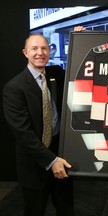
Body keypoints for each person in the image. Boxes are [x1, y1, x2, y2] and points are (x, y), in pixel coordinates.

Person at [2, 34, 74, 216]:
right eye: (34, 49)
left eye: (44, 48)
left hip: (62, 157)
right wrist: (51, 160)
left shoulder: (57, 73)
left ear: (50, 51)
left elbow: (78, 68)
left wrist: (79, 37)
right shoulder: (14, 88)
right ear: (25, 53)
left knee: (66, 209)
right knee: (34, 211)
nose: (40, 53)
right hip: (34, 164)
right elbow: (22, 133)